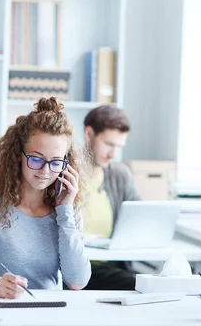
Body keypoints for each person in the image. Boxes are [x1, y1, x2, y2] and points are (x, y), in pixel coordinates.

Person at [0, 97, 91, 298]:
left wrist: (65, 210)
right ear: (18, 154)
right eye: (36, 159)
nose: (46, 171)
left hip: (48, 311)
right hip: (0, 307)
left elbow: (77, 281)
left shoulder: (66, 204)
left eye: (56, 162)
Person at [83, 104, 140, 290]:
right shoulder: (62, 172)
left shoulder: (120, 174)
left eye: (119, 146)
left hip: (111, 265)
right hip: (79, 268)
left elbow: (139, 216)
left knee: (152, 284)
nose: (113, 154)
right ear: (89, 134)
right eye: (108, 144)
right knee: (138, 285)